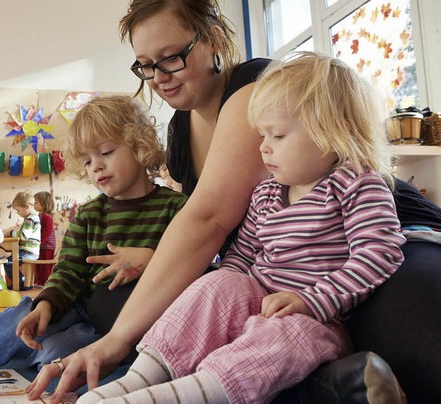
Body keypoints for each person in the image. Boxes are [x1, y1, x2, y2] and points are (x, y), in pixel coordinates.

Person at [28, 1, 441, 402]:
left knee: (399, 344)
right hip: (277, 287)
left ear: (212, 40)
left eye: (171, 57)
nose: (157, 77)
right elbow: (233, 254)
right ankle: (145, 382)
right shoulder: (189, 139)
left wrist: (117, 340)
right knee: (192, 298)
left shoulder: (262, 91)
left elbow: (208, 220)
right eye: (145, 65)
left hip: (390, 245)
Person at [77, 51, 407, 403]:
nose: (263, 148)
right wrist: (222, 303)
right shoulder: (266, 193)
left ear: (330, 133)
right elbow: (240, 258)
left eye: (277, 136)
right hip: (258, 306)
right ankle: (139, 379)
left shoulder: (356, 183)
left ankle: (174, 396)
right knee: (219, 281)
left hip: (317, 321)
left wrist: (312, 301)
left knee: (285, 337)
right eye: (261, 135)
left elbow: (380, 252)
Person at [0, 96, 188, 390]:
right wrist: (47, 304)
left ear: (140, 145)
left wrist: (152, 258)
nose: (96, 167)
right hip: (80, 312)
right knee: (27, 313)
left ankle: (21, 357)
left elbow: (203, 266)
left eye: (106, 152)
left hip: (120, 334)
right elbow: (68, 271)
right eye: (87, 161)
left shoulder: (177, 208)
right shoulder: (89, 214)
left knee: (61, 361)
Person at [33, 191, 57, 286]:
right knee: (39, 264)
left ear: (44, 203)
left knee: (45, 265)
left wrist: (39, 243)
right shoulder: (39, 216)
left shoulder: (47, 217)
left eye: (36, 202)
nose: (34, 204)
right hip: (41, 245)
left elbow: (46, 232)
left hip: (47, 245)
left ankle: (45, 282)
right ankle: (40, 281)